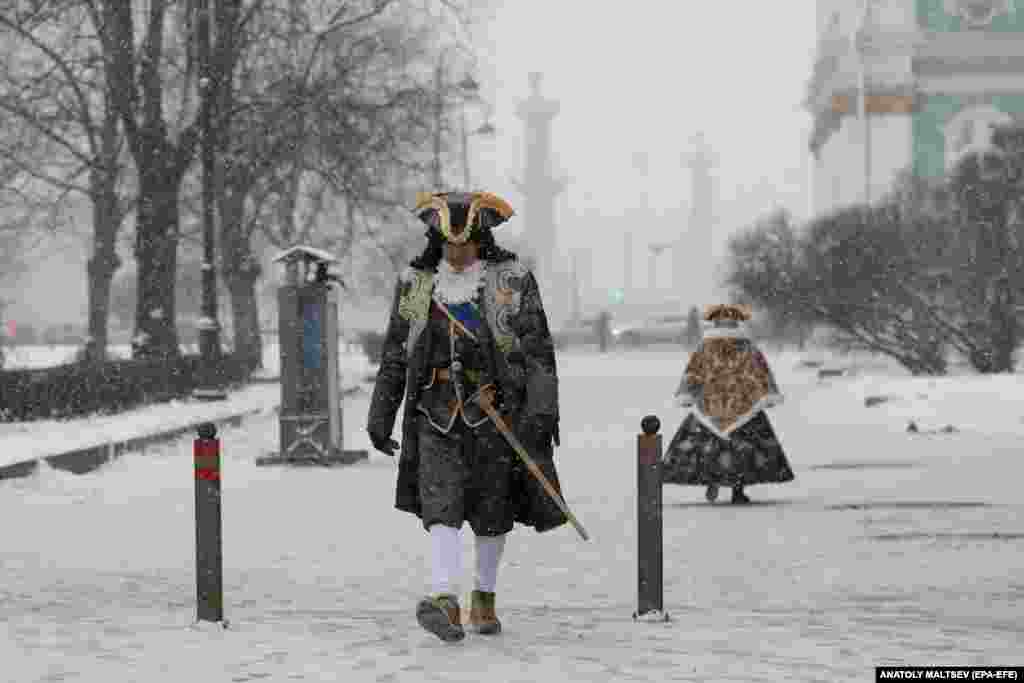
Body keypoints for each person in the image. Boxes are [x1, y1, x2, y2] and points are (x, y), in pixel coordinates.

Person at [366, 191, 567, 642]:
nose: (457, 254)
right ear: (436, 240)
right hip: (433, 415)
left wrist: (541, 411)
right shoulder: (417, 285)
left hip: (495, 414)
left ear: (482, 239)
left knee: (491, 512)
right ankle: (444, 600)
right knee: (442, 509)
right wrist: (381, 414)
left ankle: (484, 597)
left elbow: (538, 353)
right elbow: (397, 354)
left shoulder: (511, 280)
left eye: (465, 245)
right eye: (449, 245)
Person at [662, 304, 794, 504]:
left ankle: (711, 479)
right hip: (743, 405)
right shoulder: (747, 347)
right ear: (737, 323)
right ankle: (737, 490)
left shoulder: (705, 347)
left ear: (714, 323)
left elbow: (693, 372)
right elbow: (760, 371)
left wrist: (688, 393)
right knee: (742, 449)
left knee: (707, 445)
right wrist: (767, 393)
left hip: (710, 405)